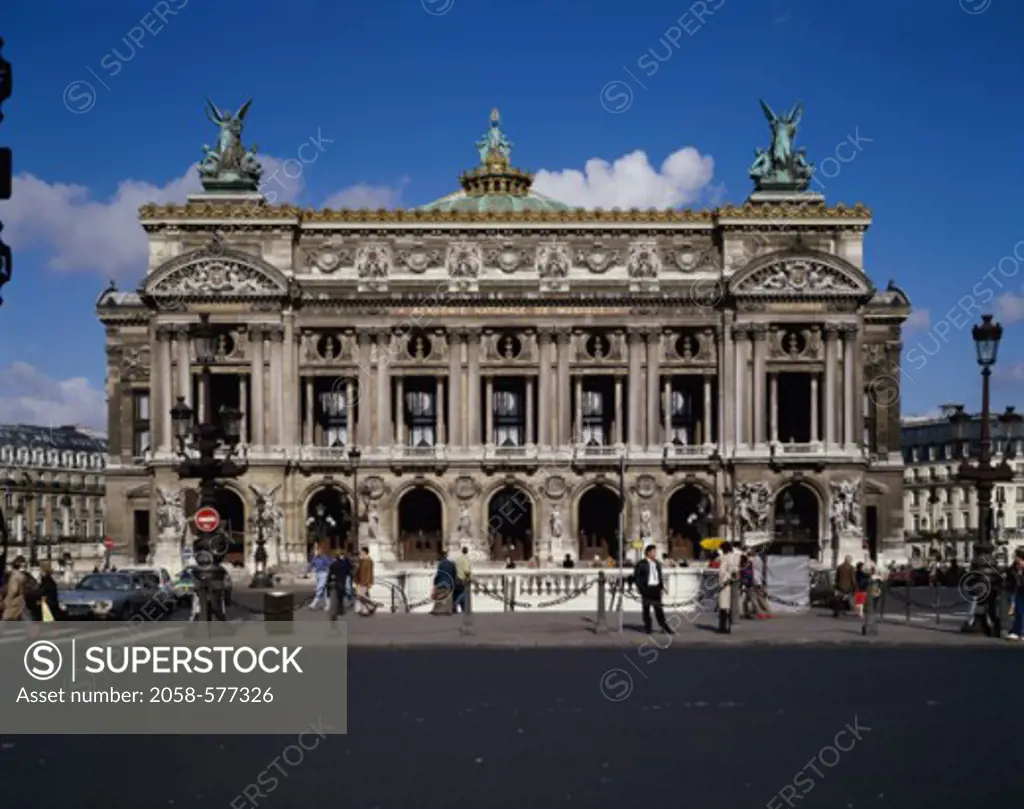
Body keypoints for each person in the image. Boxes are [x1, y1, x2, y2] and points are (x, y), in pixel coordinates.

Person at [633, 544, 674, 635]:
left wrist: (662, 587)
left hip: (656, 589)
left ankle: (664, 626)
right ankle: (648, 627)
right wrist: (641, 589)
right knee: (646, 609)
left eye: (655, 552)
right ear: (648, 552)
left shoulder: (657, 563)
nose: (655, 553)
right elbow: (636, 577)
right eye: (653, 552)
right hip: (646, 589)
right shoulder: (641, 563)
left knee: (659, 609)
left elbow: (659, 576)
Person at [1, 556, 35, 626]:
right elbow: (34, 586)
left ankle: (32, 629)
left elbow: (13, 590)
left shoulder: (13, 576)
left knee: (6, 617)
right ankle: (32, 629)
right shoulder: (25, 576)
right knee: (25, 615)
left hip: (14, 600)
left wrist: (7, 599)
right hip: (22, 599)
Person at [716, 542, 740, 633]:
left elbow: (726, 573)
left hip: (726, 584)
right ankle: (727, 626)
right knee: (728, 606)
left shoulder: (727, 558)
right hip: (729, 583)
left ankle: (723, 627)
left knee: (724, 606)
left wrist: (725, 582)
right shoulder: (732, 557)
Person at [327, 549, 353, 621]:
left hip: (335, 584)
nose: (342, 556)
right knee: (338, 599)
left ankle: (334, 614)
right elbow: (349, 571)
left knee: (335, 600)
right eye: (341, 555)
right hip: (340, 584)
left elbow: (330, 576)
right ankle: (337, 612)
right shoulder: (342, 564)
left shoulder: (334, 564)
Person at [431, 548, 457, 616]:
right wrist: (454, 580)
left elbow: (439, 573)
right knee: (449, 597)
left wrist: (435, 581)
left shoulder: (441, 563)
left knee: (438, 596)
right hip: (449, 581)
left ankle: (436, 610)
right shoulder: (452, 563)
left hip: (441, 581)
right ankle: (448, 610)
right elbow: (454, 573)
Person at [354, 546, 377, 616]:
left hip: (365, 581)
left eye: (361, 551)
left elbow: (370, 572)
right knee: (359, 596)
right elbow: (358, 571)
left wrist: (370, 582)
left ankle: (372, 604)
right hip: (360, 580)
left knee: (361, 595)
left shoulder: (369, 561)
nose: (360, 553)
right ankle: (366, 609)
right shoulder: (362, 560)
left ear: (364, 552)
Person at [1006, 549, 1024, 641]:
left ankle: (1019, 632)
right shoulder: (1013, 568)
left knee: (1021, 613)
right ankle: (1017, 631)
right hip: (1018, 592)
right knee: (1018, 612)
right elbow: (1010, 578)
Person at [454, 546, 472, 612]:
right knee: (465, 593)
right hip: (463, 579)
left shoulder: (458, 559)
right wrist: (468, 578)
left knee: (461, 593)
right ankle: (456, 603)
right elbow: (466, 570)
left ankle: (463, 609)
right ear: (467, 551)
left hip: (457, 578)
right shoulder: (466, 559)